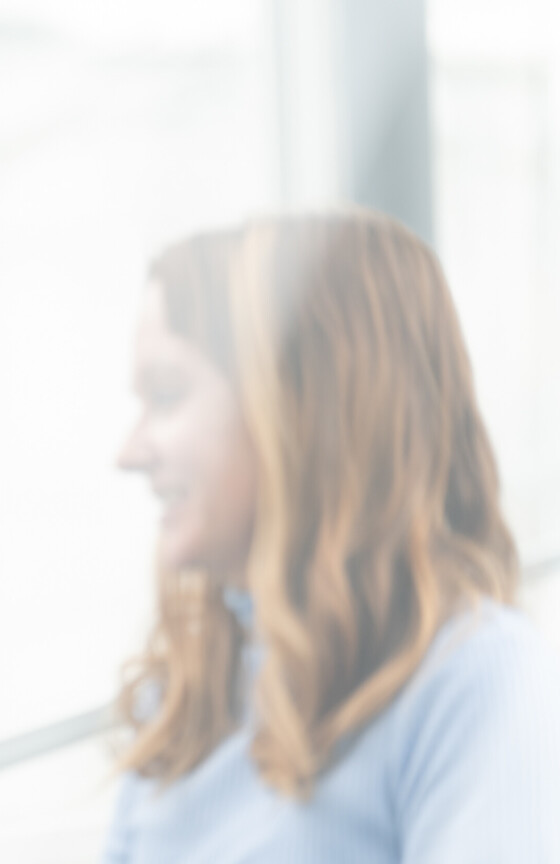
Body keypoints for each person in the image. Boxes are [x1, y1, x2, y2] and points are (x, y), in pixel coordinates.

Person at [105, 210, 560, 862]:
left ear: (296, 407)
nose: (129, 452)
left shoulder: (475, 682)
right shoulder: (179, 706)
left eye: (169, 395)